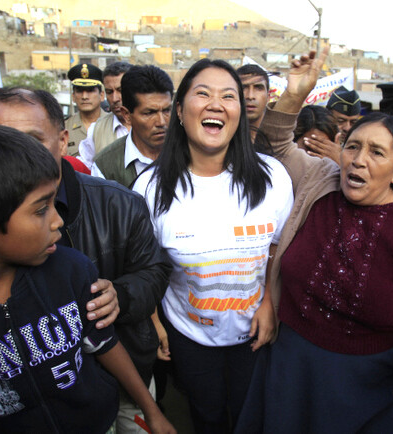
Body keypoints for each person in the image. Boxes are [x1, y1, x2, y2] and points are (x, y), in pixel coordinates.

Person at [235, 49, 393, 433]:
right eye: (353, 146)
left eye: (376, 152)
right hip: (288, 366)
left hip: (370, 390)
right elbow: (276, 143)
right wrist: (295, 93)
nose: (358, 160)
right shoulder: (320, 180)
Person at [0, 124, 176, 434]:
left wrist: (151, 411)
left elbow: (104, 343)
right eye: (41, 209)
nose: (58, 220)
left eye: (54, 203)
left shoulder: (70, 271)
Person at [0, 87, 171, 433]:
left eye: (32, 140)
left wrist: (121, 296)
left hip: (129, 379)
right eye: (1, 141)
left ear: (62, 140)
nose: (16, 156)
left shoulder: (120, 204)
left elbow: (155, 270)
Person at [133, 58, 294, 433]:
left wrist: (270, 301)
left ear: (240, 112)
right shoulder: (149, 189)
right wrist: (155, 321)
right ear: (179, 110)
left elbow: (278, 250)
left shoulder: (273, 178)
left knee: (250, 417)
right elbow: (144, 267)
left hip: (255, 333)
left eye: (228, 96)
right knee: (205, 416)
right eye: (202, 94)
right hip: (188, 335)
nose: (215, 104)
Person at [92, 65, 174, 187]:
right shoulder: (105, 166)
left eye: (167, 111)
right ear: (127, 115)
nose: (161, 122)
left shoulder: (191, 153)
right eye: (149, 113)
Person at [79, 62, 132, 167]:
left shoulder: (151, 125)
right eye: (109, 92)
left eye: (120, 90)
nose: (115, 98)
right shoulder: (96, 130)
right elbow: (85, 168)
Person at [65, 63, 105, 157]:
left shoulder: (115, 125)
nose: (84, 97)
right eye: (79, 91)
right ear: (73, 97)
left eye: (90, 91)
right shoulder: (64, 128)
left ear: (102, 95)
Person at [236, 64, 269, 142]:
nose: (250, 96)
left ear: (268, 97)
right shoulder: (221, 140)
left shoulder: (279, 140)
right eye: (244, 88)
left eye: (258, 88)